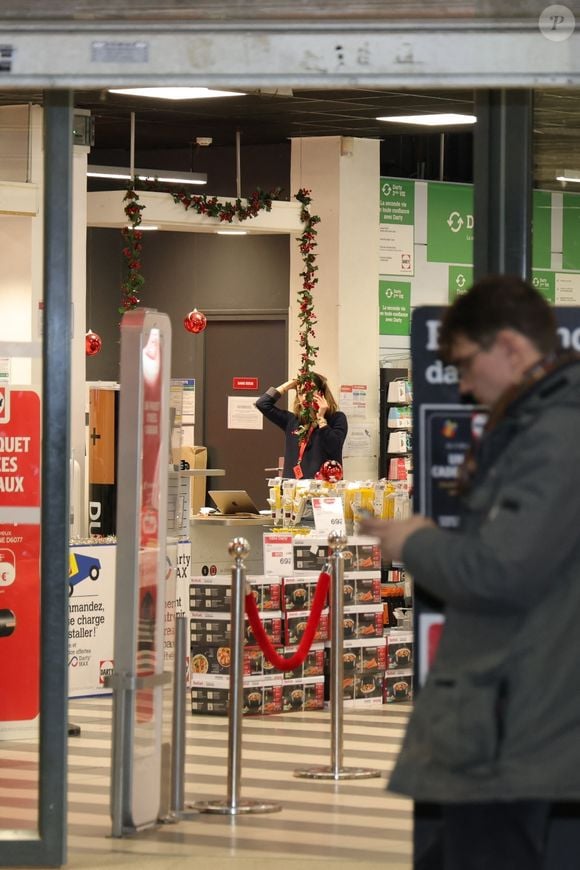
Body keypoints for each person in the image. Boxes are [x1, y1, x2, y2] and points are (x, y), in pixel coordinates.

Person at [361, 274, 580, 870]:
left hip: (516, 712)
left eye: (463, 365)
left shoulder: (556, 433)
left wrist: (418, 544)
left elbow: (503, 569)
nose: (460, 387)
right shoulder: (544, 423)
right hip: (512, 707)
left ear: (510, 347)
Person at [255, 372, 347, 479]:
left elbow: (334, 447)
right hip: (293, 489)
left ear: (321, 393)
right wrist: (287, 386)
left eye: (310, 391)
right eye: (301, 392)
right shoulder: (292, 420)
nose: (305, 397)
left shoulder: (336, 418)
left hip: (324, 489)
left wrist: (321, 419)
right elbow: (262, 404)